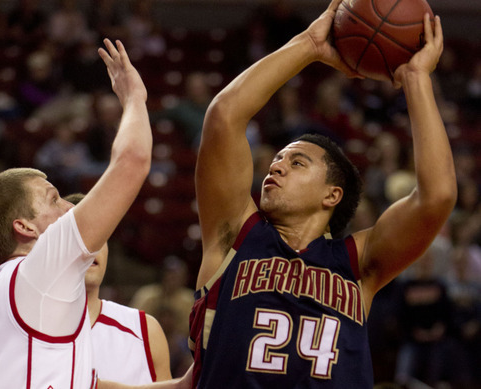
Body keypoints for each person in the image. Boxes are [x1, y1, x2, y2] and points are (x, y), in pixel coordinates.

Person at [189, 0, 457, 387]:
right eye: (278, 159)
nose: (276, 166)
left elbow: (437, 196)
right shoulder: (235, 234)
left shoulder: (360, 263)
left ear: (332, 195)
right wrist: (308, 45)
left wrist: (416, 78)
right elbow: (224, 116)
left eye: (297, 163)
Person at [0, 38, 153, 388]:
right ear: (24, 227)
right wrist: (134, 98)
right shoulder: (36, 273)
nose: (70, 206)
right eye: (54, 198)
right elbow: (132, 160)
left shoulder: (24, 293)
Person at [65, 192, 172, 385]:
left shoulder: (146, 331)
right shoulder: (23, 332)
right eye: (79, 235)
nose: (92, 245)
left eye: (100, 235)